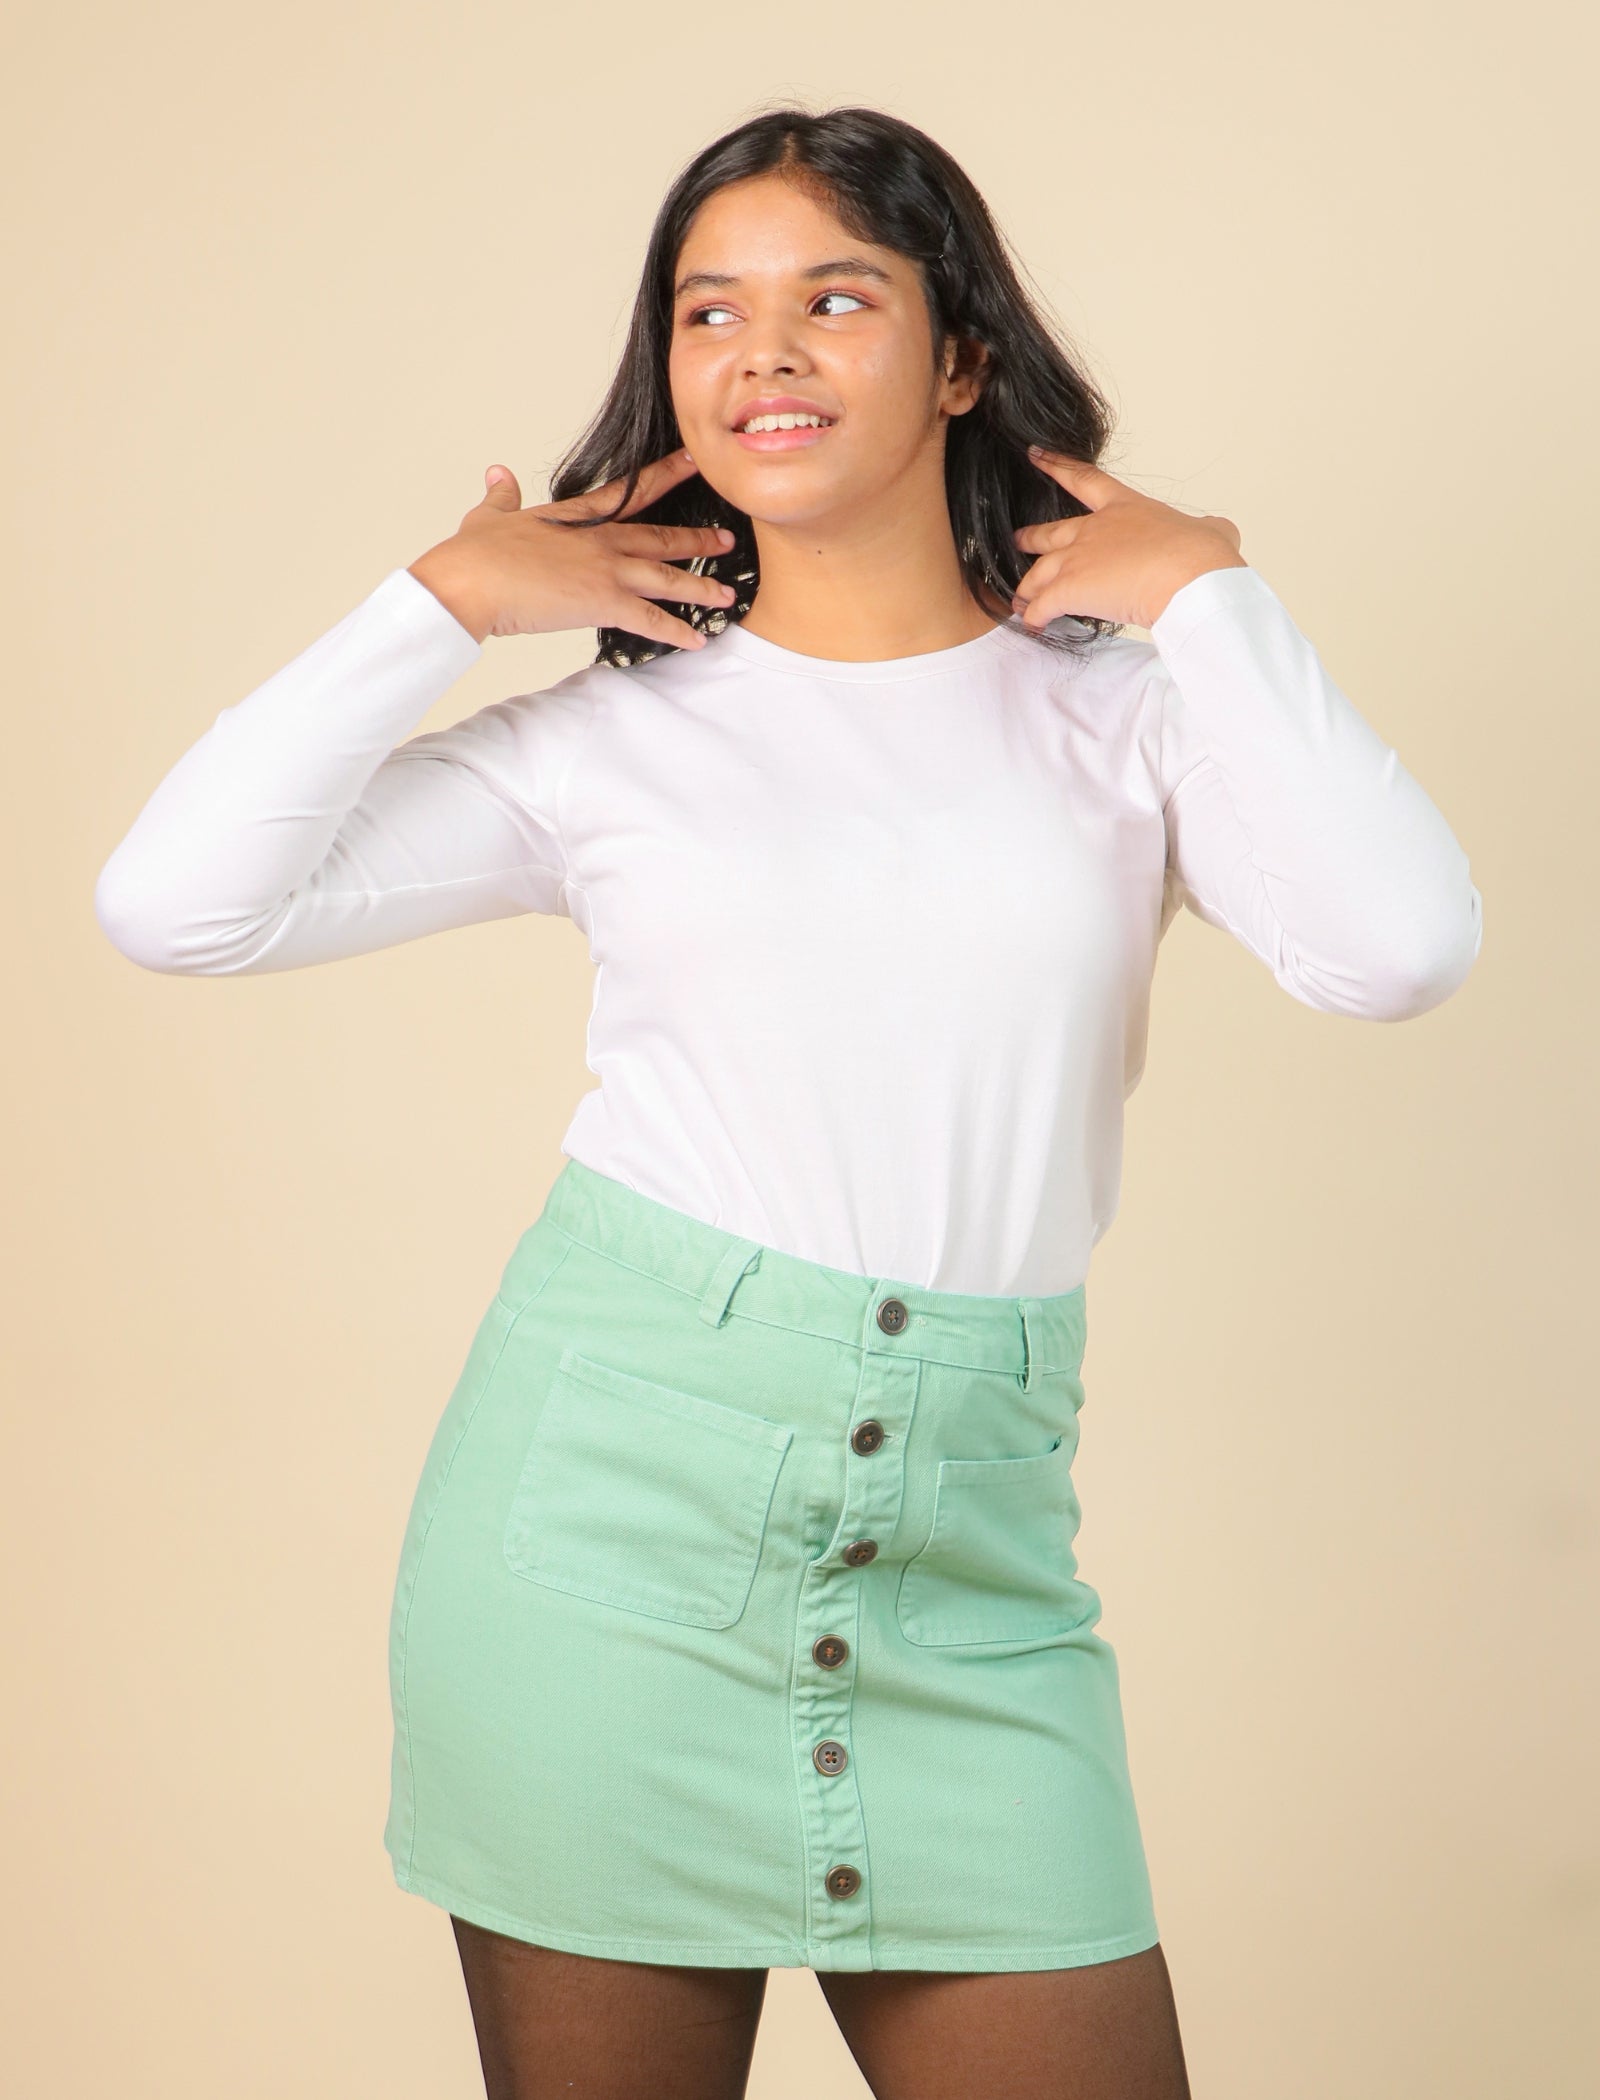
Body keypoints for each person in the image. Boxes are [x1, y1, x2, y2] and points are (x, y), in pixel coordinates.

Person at [92, 104, 1482, 2100]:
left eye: (835, 298)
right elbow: (175, 905)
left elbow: (1396, 949)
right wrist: (432, 608)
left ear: (957, 358)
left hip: (975, 1563)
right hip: (602, 1549)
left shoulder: (1130, 716)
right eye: (708, 311)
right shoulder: (608, 746)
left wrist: (1206, 600)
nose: (761, 350)